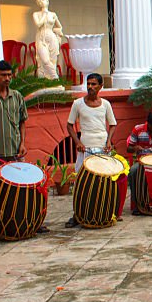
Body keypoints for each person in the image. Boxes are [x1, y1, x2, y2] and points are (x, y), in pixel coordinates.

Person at [0, 60, 43, 245]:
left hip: (15, 152)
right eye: (3, 75)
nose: (7, 78)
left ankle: (28, 223)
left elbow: (22, 122)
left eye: (9, 75)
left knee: (23, 190)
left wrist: (22, 143)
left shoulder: (17, 96)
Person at [64, 73, 117, 227]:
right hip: (85, 147)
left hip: (101, 147)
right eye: (88, 84)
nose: (90, 87)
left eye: (94, 84)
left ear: (100, 86)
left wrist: (108, 141)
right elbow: (69, 125)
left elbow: (112, 124)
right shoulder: (78, 104)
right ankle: (77, 214)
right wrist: (77, 141)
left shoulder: (106, 104)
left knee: (103, 181)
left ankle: (104, 212)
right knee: (81, 180)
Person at [31, 0, 64, 81]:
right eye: (39, 0)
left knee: (53, 61)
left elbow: (59, 27)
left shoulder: (53, 14)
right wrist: (44, 14)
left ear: (47, 1)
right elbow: (38, 25)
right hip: (41, 38)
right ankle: (55, 77)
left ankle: (51, 82)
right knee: (44, 60)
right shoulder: (36, 14)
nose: (41, 1)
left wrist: (55, 32)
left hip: (51, 38)